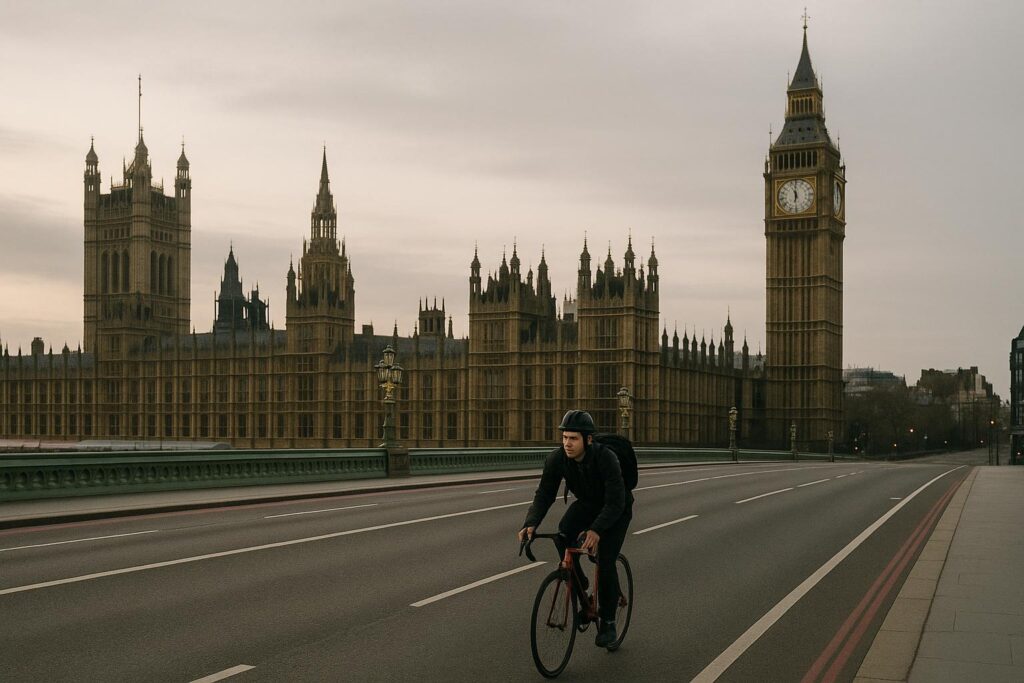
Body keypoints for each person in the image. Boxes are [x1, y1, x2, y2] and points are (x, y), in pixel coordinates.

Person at [517, 409, 633, 648]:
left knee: (606, 559)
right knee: (562, 535)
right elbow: (544, 494)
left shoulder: (606, 458)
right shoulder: (557, 459)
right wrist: (531, 523)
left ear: (588, 440)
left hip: (616, 508)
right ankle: (579, 581)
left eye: (573, 438)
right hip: (588, 503)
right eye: (564, 438)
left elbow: (615, 502)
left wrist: (596, 530)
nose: (567, 443)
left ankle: (609, 622)